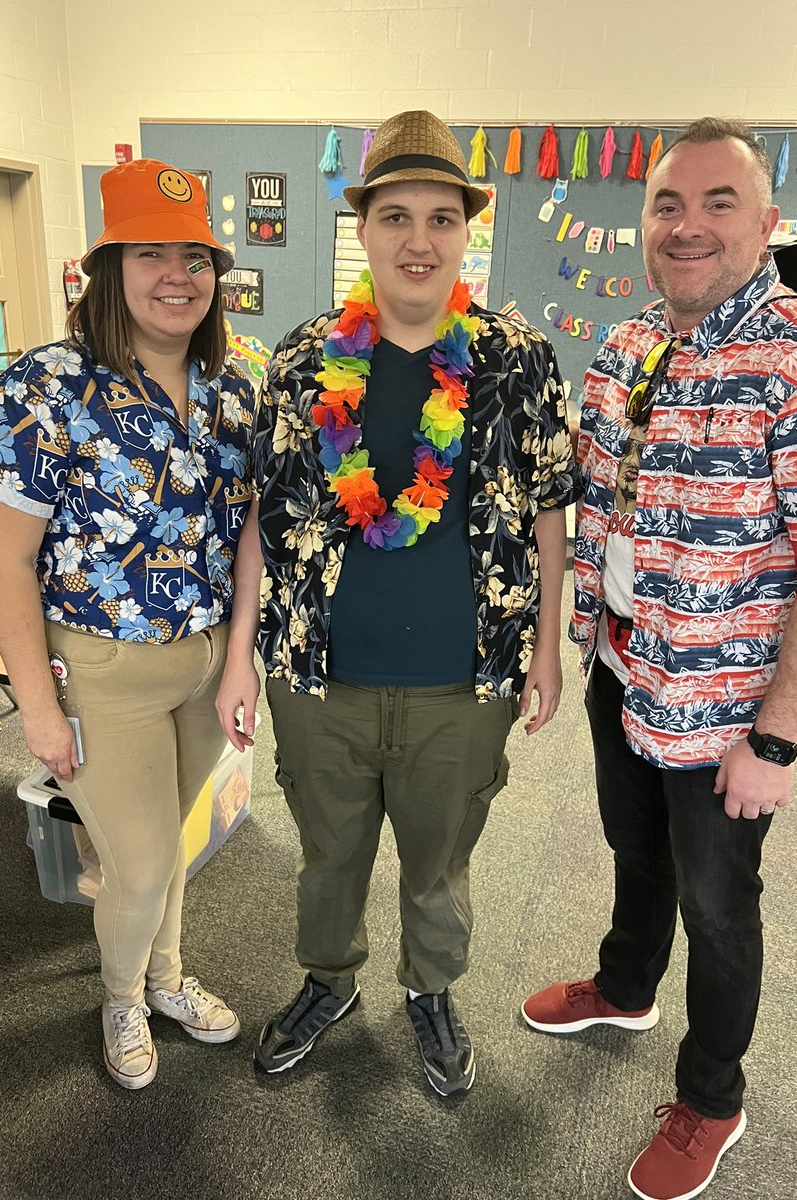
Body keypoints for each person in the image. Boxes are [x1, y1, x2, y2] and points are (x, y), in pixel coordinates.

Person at [522, 117, 797, 1200]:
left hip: (728, 710)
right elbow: (591, 498)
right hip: (625, 665)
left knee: (721, 908)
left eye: (720, 203)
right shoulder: (631, 344)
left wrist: (777, 742)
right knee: (636, 852)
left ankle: (713, 1098)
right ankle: (627, 986)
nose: (689, 225)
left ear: (767, 222)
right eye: (669, 204)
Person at [216, 109, 576, 1096]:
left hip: (464, 681)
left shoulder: (517, 359)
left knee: (439, 861)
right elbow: (261, 518)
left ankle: (430, 988)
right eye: (397, 217)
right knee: (327, 855)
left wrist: (547, 650)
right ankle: (329, 981)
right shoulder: (302, 362)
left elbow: (550, 512)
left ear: (467, 231)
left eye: (441, 219)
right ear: (365, 227)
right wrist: (241, 657)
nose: (419, 241)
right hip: (318, 678)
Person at [0, 159, 256, 1090]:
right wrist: (35, 708)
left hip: (203, 666)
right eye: (149, 254)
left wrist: (241, 662)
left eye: (195, 258)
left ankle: (165, 979)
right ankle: (123, 995)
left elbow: (249, 532)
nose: (178, 276)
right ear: (107, 268)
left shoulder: (233, 386)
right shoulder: (44, 387)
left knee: (169, 844)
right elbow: (3, 558)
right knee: (137, 865)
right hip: (100, 672)